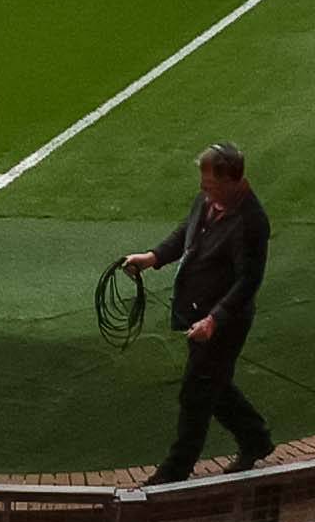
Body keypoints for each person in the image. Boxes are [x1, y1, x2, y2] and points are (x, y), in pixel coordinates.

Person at [118, 142, 277, 485]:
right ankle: (255, 438)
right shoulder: (207, 201)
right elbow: (185, 235)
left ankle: (174, 473)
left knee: (195, 394)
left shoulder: (252, 223)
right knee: (214, 387)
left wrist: (214, 320)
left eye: (211, 185)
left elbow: (248, 282)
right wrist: (152, 258)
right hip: (197, 317)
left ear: (234, 180)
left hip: (222, 326)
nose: (204, 191)